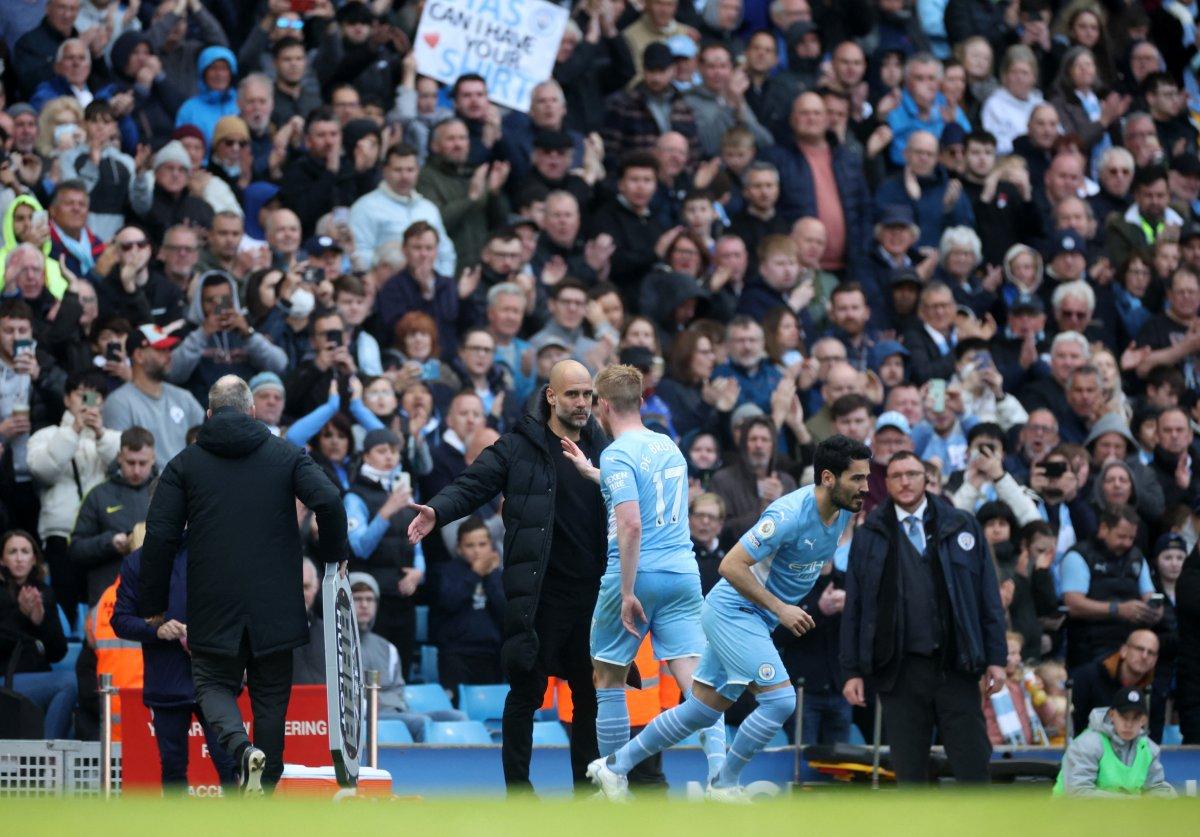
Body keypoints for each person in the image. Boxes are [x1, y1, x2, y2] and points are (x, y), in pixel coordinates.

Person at [588, 435, 869, 802]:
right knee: (781, 701)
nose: (865, 487)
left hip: (756, 617)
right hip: (734, 612)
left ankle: (613, 766)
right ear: (829, 478)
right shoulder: (787, 515)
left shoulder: (844, 513)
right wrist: (781, 608)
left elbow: (805, 563)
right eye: (857, 479)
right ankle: (723, 784)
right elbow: (730, 564)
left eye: (866, 477)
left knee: (700, 711)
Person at [137, 375, 348, 794]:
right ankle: (265, 787)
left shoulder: (184, 464)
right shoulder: (288, 455)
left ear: (209, 415)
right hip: (278, 603)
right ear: (253, 412)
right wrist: (333, 561)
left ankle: (239, 748)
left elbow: (159, 536)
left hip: (213, 602)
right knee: (270, 700)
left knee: (212, 683)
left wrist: (154, 603)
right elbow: (329, 500)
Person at [408, 360, 608, 792]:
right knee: (524, 696)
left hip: (591, 596)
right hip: (537, 595)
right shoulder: (519, 446)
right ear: (551, 396)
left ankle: (588, 795)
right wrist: (437, 511)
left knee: (589, 698)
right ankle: (520, 791)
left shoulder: (605, 449)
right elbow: (472, 484)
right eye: (572, 394)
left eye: (587, 394)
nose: (581, 403)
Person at [555, 364, 724, 778]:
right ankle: (723, 775)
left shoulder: (616, 453)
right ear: (642, 401)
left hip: (635, 574)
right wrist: (592, 473)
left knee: (608, 680)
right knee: (699, 687)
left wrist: (627, 591)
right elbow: (648, 496)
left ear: (603, 405)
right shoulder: (668, 446)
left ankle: (615, 778)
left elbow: (631, 523)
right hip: (683, 574)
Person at [841, 449, 1007, 785]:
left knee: (974, 768)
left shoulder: (962, 524)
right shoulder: (869, 534)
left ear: (926, 479)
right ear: (885, 483)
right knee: (909, 776)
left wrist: (996, 658)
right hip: (900, 671)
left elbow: (987, 597)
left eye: (912, 474)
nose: (905, 482)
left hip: (955, 665)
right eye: (897, 476)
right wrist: (852, 671)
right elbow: (856, 608)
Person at [110, 526, 237, 790]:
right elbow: (120, 620)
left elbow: (239, 607)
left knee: (229, 763)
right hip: (166, 681)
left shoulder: (216, 553)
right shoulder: (138, 562)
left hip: (213, 677)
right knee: (173, 767)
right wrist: (157, 630)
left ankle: (242, 828)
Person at [0, 529, 74, 738]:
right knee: (68, 683)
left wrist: (41, 622)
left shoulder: (44, 592)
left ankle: (48, 756)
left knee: (71, 685)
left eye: (25, 551)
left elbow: (58, 652)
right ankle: (46, 754)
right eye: (12, 552)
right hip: (5, 678)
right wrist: (21, 615)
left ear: (34, 559)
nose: (19, 558)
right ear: (2, 560)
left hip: (36, 676)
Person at [68, 426, 154, 605]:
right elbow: (75, 550)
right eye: (130, 462)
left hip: (156, 596)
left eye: (142, 463)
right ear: (119, 457)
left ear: (153, 459)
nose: (137, 470)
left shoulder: (166, 492)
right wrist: (110, 543)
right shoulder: (98, 495)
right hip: (109, 597)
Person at [101, 324, 205, 467]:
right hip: (147, 486)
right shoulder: (118, 403)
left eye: (169, 349)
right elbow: (120, 463)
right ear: (139, 355)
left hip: (190, 483)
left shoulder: (184, 397)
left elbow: (209, 440)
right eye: (161, 350)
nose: (169, 355)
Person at [1053, 688, 1175, 797]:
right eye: (1124, 717)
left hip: (1119, 818)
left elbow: (1156, 787)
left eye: (1135, 718)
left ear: (1143, 720)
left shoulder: (1149, 749)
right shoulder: (1087, 744)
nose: (1129, 724)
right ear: (1112, 715)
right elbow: (1077, 792)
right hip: (1069, 817)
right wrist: (1128, 802)